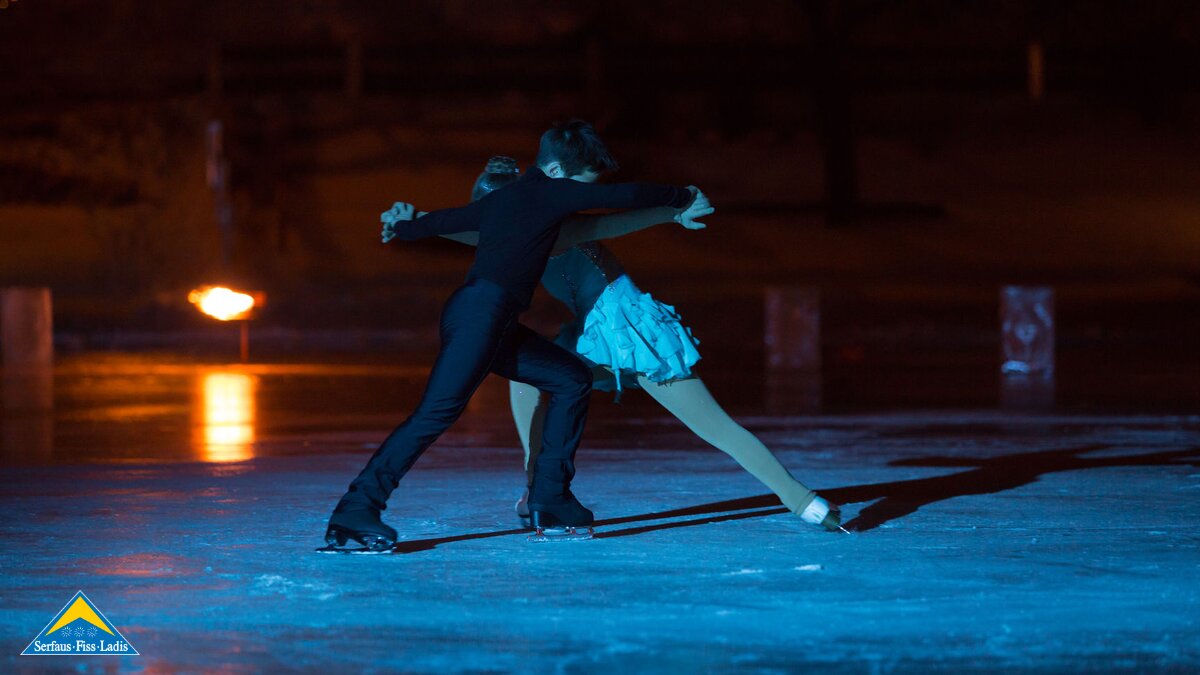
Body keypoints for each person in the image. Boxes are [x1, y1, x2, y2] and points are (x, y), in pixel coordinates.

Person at [323, 120, 701, 551]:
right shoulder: (550, 191)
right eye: (581, 185)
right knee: (436, 413)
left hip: (482, 315)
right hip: (482, 315)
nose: (578, 198)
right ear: (557, 171)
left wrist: (406, 226)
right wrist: (682, 196)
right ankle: (356, 510)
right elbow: (626, 196)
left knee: (570, 379)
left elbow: (448, 219)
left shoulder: (507, 200)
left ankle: (551, 498)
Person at [453, 158, 845, 532]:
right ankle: (537, 488)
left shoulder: (552, 228)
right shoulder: (520, 238)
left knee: (714, 425)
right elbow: (469, 231)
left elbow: (611, 221)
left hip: (632, 333)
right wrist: (433, 213)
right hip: (598, 337)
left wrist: (672, 211)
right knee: (524, 374)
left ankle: (803, 501)